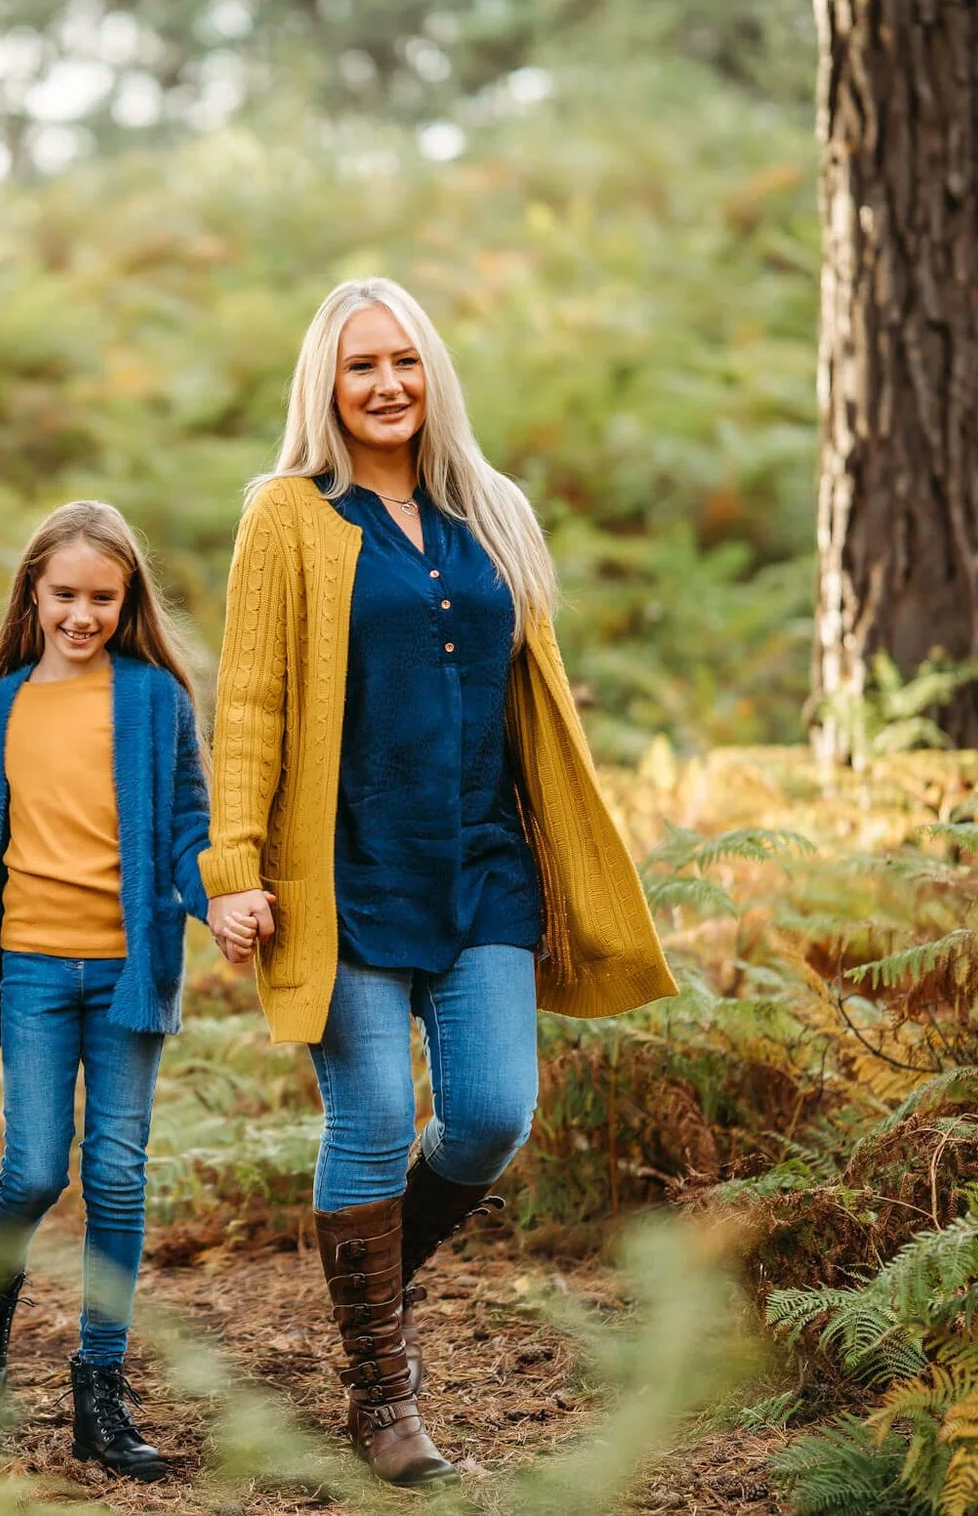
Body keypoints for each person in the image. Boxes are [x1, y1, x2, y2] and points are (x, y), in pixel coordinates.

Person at [198, 278, 675, 1485]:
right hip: (345, 868)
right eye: (361, 365)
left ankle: (362, 1279)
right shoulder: (288, 516)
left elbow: (532, 693)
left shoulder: (492, 511)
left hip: (482, 861)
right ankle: (382, 1393)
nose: (386, 384)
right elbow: (248, 704)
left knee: (490, 1115)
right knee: (364, 1121)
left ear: (432, 373)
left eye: (404, 360)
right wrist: (230, 870)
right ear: (327, 383)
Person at [0, 502, 206, 1479]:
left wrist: (223, 896)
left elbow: (188, 830)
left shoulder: (154, 700)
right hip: (28, 968)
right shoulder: (2, 708)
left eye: (102, 597)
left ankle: (97, 1390)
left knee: (115, 1172)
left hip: (125, 971)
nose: (82, 613)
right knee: (32, 1169)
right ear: (32, 592)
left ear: (126, 600)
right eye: (64, 593)